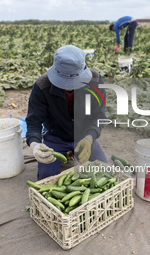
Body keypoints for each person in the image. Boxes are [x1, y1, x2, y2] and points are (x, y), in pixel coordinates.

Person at [26, 45, 108, 180]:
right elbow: (33, 122)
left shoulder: (96, 81)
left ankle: (77, 148)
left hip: (83, 136)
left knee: (104, 173)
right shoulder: (42, 85)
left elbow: (99, 116)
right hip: (55, 138)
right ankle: (65, 151)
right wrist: (35, 145)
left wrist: (89, 137)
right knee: (46, 178)